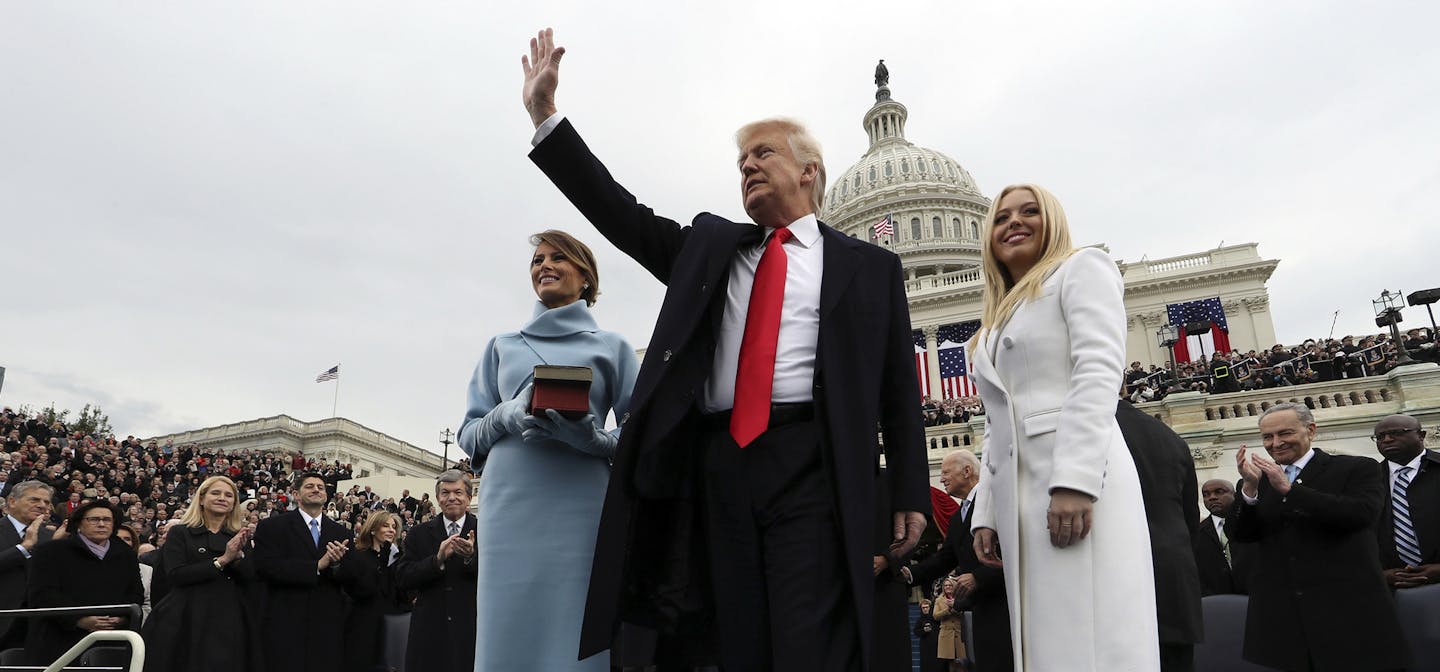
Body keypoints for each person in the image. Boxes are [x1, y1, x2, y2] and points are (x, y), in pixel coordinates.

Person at [521, 28, 929, 670]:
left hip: (811, 461)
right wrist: (546, 118)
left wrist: (908, 488)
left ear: (809, 171)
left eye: (763, 153)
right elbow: (619, 214)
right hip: (716, 464)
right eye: (741, 161)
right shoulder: (713, 250)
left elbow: (898, 392)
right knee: (735, 641)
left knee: (807, 638)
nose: (747, 166)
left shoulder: (869, 267)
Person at [967, 184, 1159, 671]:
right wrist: (986, 512)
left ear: (1053, 222)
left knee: (1091, 628)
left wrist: (1074, 480)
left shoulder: (1081, 268)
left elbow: (1097, 371)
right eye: (1002, 217)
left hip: (1073, 476)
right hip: (1019, 492)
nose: (1015, 222)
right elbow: (996, 423)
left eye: (1030, 212)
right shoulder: (997, 320)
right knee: (1042, 636)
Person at [456, 229, 637, 672]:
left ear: (586, 277)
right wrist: (505, 417)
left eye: (558, 258)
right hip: (510, 510)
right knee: (506, 632)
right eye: (537, 260)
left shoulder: (615, 347)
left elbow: (640, 435)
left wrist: (593, 440)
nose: (544, 266)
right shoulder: (501, 345)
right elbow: (467, 434)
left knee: (575, 635)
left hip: (582, 509)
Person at [1229, 403, 1409, 671]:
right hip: (1286, 622)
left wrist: (1291, 491)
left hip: (1348, 616)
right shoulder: (1260, 480)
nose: (1275, 443)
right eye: (1268, 437)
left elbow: (1361, 515)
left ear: (1310, 430)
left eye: (1284, 433)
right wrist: (1249, 489)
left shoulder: (1357, 467)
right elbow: (1241, 535)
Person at [1114, 401, 1203, 672]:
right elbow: (1190, 519)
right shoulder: (1170, 437)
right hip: (1174, 584)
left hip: (1119, 586)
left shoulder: (1084, 429)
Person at [905, 451, 1011, 672]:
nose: (942, 478)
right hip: (980, 609)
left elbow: (1011, 550)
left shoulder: (995, 501)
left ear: (967, 471)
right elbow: (945, 559)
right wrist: (910, 574)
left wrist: (977, 577)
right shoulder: (957, 516)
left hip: (1006, 607)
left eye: (945, 472)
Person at [141, 475, 258, 672]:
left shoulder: (240, 536)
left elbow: (251, 579)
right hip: (186, 616)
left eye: (229, 495)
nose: (223, 498)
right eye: (216, 493)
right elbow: (176, 575)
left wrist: (238, 560)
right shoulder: (180, 532)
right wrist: (222, 560)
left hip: (230, 617)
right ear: (201, 499)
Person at [251, 472, 363, 672]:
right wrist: (316, 566)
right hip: (284, 618)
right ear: (295, 494)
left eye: (320, 487)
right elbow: (265, 567)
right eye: (309, 486)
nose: (316, 490)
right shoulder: (272, 526)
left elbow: (353, 576)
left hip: (326, 622)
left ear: (326, 497)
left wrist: (337, 565)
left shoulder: (341, 532)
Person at [25, 500, 144, 665]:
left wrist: (122, 617)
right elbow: (42, 595)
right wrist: (79, 619)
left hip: (112, 640)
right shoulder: (50, 552)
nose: (101, 524)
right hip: (60, 641)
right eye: (94, 519)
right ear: (79, 523)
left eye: (107, 520)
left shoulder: (126, 555)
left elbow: (136, 593)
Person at [394, 470, 478, 672]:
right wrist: (437, 560)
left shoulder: (486, 530)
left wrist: (470, 558)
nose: (451, 497)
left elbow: (498, 577)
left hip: (471, 630)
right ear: (438, 499)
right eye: (445, 493)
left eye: (458, 492)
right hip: (429, 630)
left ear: (469, 497)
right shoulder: (418, 532)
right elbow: (403, 577)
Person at [1371, 414, 1440, 588]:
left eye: (1396, 433)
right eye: (1380, 437)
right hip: (1393, 589)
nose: (1387, 440)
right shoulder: (1369, 481)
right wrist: (1378, 574)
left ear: (1421, 435)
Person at [344, 510, 406, 672]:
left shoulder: (398, 558)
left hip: (391, 628)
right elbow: (364, 590)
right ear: (372, 529)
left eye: (394, 527)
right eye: (385, 526)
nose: (391, 530)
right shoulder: (358, 556)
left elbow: (402, 595)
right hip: (363, 627)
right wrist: (383, 561)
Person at [0, 481, 57, 648]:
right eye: (34, 500)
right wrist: (24, 548)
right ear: (12, 501)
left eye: (46, 502)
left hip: (36, 625)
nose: (42, 506)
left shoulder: (49, 535)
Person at [1191, 480, 1253, 596]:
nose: (1212, 497)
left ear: (1234, 494)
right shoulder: (1197, 534)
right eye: (1206, 494)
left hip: (1254, 598)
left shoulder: (1250, 525)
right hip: (1216, 602)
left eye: (1219, 492)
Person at [113, 523, 152, 624]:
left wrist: (126, 621)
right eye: (117, 538)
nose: (122, 542)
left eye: (127, 539)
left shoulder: (147, 570)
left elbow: (147, 604)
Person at [931, 577, 966, 671]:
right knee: (951, 662)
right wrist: (947, 610)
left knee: (962, 661)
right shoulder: (939, 600)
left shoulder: (961, 598)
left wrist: (954, 607)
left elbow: (965, 612)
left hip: (960, 633)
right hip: (946, 634)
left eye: (950, 585)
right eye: (945, 585)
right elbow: (935, 616)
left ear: (954, 586)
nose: (947, 587)